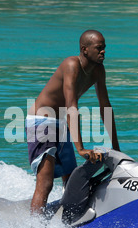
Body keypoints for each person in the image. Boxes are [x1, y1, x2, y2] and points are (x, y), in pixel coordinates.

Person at [26, 30, 120, 216]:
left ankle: (69, 220)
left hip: (59, 122)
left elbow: (105, 108)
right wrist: (81, 148)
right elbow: (71, 106)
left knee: (72, 182)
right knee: (46, 182)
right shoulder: (71, 65)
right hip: (41, 120)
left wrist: (117, 149)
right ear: (84, 50)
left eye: (104, 49)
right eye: (99, 48)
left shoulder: (98, 70)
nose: (103, 52)